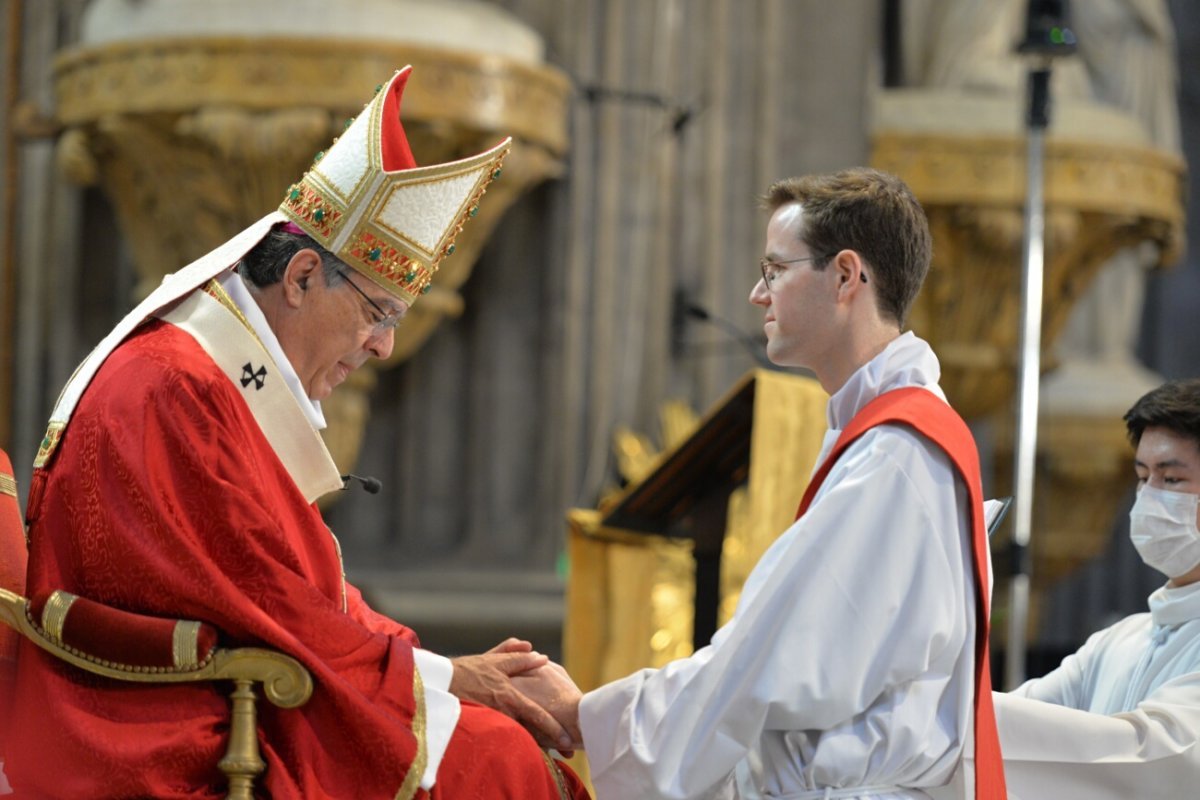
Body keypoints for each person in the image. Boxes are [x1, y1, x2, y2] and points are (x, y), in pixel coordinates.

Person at [4, 67, 588, 799]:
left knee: (498, 746)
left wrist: (435, 668)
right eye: (379, 313)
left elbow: (286, 590)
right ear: (304, 275)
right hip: (167, 724)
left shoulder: (210, 376)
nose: (380, 345)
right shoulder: (176, 388)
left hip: (230, 687)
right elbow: (261, 599)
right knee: (499, 759)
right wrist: (441, 677)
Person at [520, 168, 1006, 799]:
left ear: (845, 276)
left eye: (775, 270)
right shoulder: (886, 434)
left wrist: (586, 716)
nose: (757, 293)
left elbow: (764, 663)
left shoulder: (896, 454)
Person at [966, 379, 1200, 800]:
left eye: (1171, 480)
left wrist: (948, 714)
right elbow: (1026, 718)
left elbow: (1153, 756)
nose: (1148, 498)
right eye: (1142, 477)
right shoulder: (1120, 639)